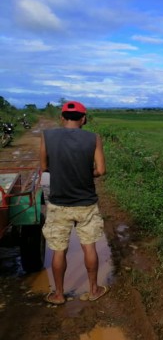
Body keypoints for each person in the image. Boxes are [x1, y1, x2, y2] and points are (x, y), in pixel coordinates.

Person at [40, 100, 109, 305]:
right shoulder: (93, 138)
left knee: (59, 249)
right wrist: (86, 173)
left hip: (58, 203)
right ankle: (94, 289)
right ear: (84, 119)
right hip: (86, 203)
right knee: (89, 246)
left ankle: (59, 294)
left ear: (62, 118)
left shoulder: (47, 136)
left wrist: (62, 171)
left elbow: (44, 166)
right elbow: (101, 170)